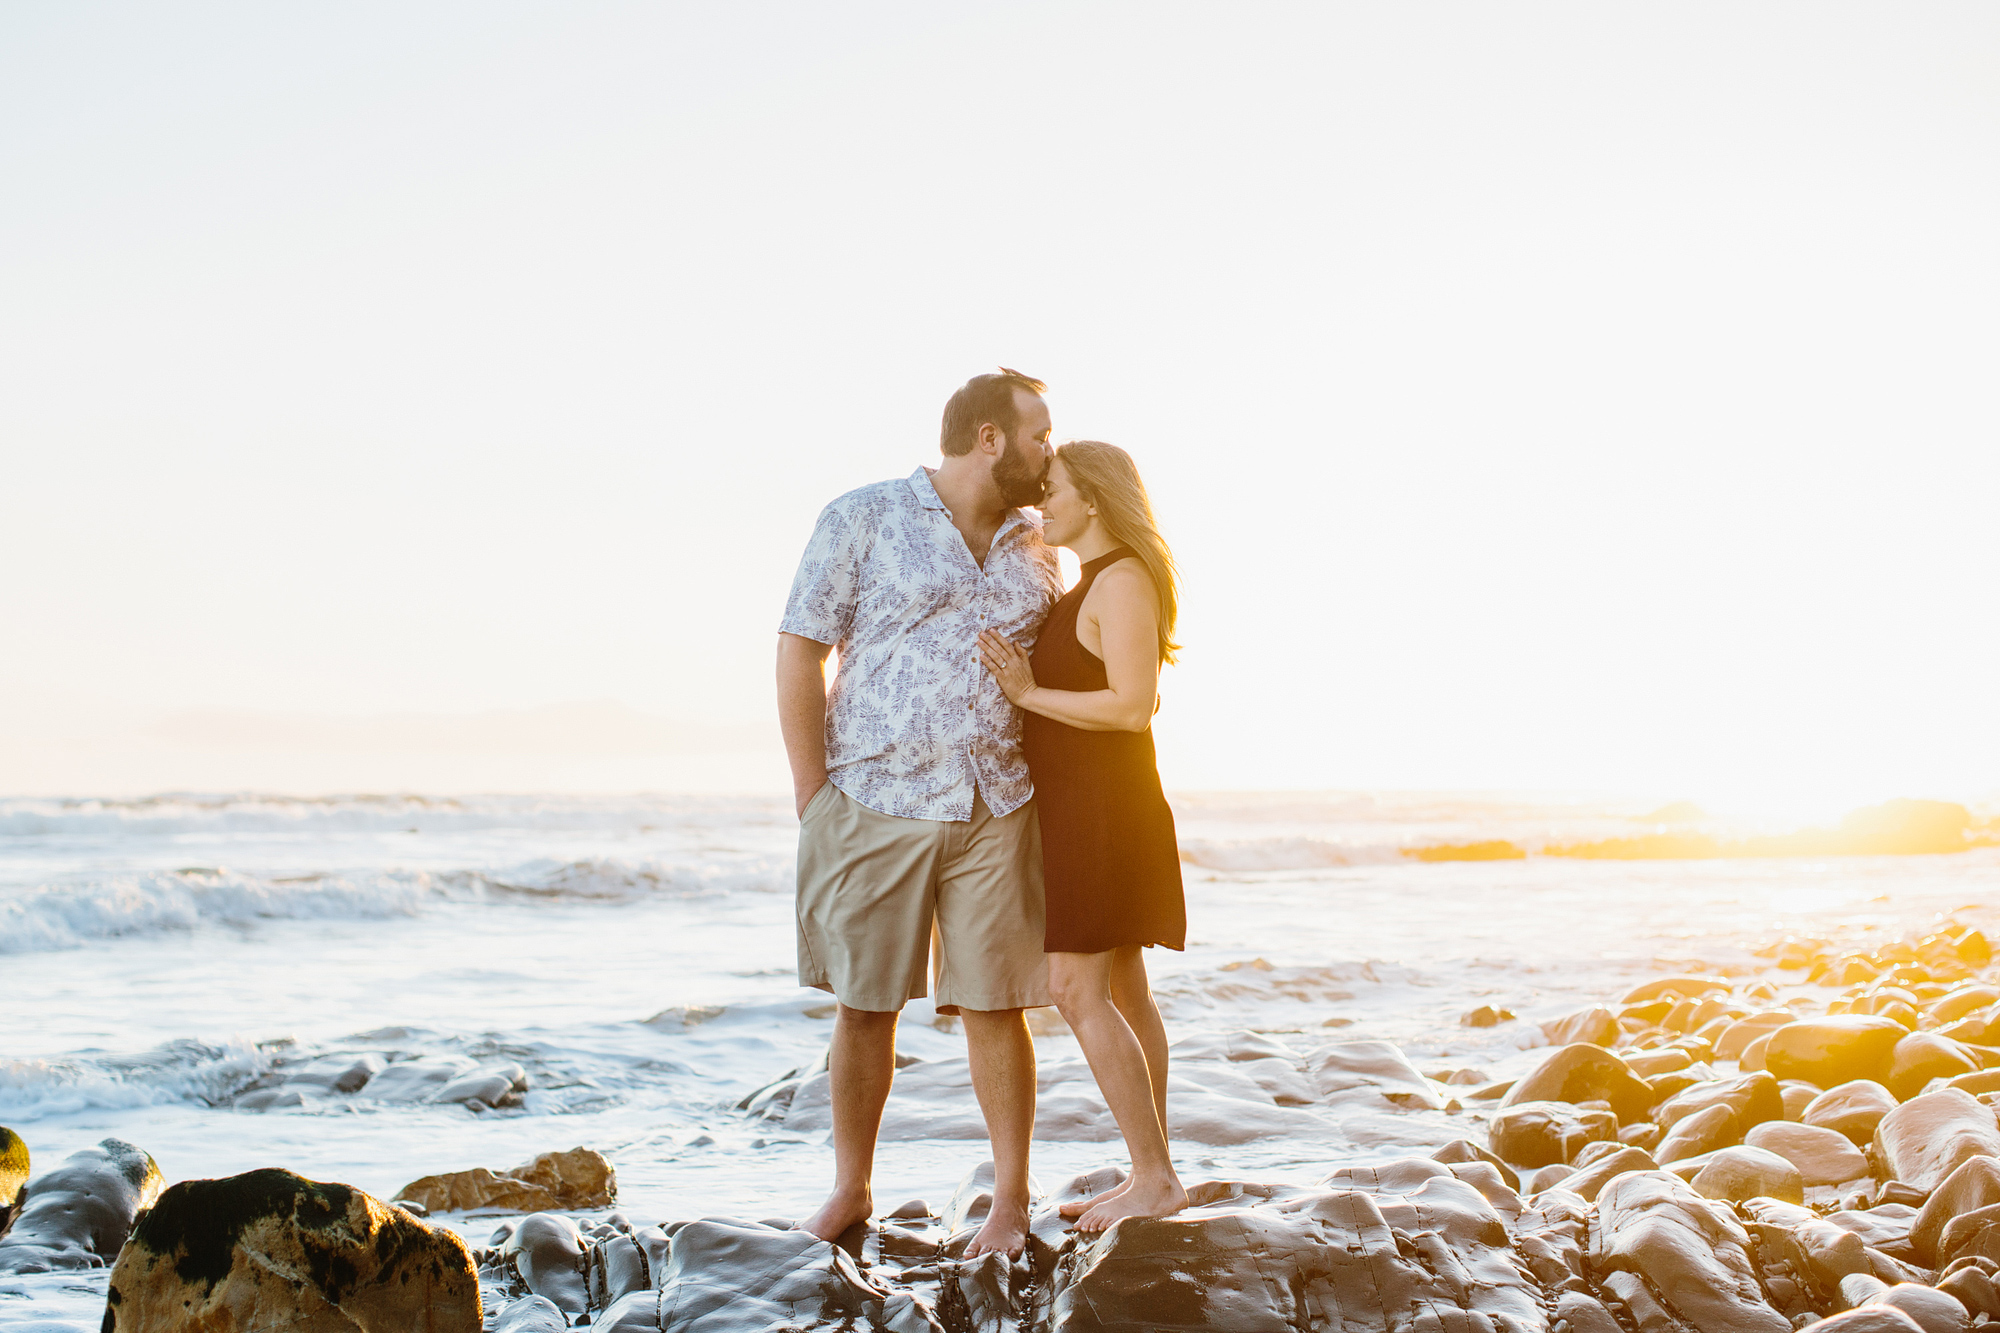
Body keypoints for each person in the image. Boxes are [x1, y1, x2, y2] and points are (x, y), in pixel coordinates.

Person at [776, 368, 1065, 1258]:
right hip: (874, 796)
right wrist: (813, 796)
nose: (1049, 451)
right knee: (866, 1005)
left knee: (996, 1004)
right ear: (989, 437)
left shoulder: (1039, 545)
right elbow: (799, 649)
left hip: (997, 801)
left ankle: (1009, 1203)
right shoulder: (862, 516)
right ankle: (850, 1189)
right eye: (1039, 435)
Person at [976, 440, 1189, 1231]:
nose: (1043, 504)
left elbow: (1133, 706)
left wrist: (1029, 693)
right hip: (1087, 810)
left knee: (1075, 988)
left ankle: (1157, 1176)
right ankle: (1151, 1170)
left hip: (1105, 812)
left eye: (1054, 489)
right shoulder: (1094, 582)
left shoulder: (1124, 578)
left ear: (1095, 497)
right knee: (1125, 990)